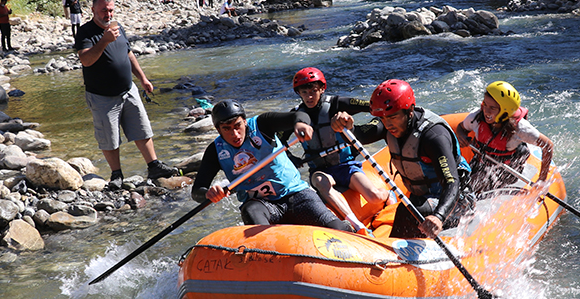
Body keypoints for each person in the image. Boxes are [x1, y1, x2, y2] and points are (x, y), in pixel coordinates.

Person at [333, 79, 473, 239]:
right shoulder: (388, 123)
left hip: (455, 202)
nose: (387, 124)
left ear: (410, 110)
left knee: (408, 211)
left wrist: (439, 216)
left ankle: (393, 253)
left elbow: (451, 182)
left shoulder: (434, 136)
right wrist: (346, 126)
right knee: (413, 208)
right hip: (422, 197)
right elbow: (361, 134)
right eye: (383, 118)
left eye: (392, 117)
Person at [191, 99, 354, 232]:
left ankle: (348, 231)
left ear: (245, 122)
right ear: (217, 129)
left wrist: (300, 124)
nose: (235, 134)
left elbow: (298, 115)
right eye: (227, 129)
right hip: (263, 205)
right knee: (249, 210)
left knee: (336, 228)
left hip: (295, 194)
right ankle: (268, 252)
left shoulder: (262, 125)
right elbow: (197, 190)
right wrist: (209, 194)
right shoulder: (215, 151)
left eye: (237, 126)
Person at [75, 0, 179, 185]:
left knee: (142, 128)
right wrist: (104, 40)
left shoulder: (118, 26)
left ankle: (154, 166)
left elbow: (128, 53)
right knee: (110, 137)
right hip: (102, 95)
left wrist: (143, 78)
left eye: (111, 10)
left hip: (128, 89)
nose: (108, 14)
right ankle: (116, 175)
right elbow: (86, 60)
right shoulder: (85, 31)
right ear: (93, 10)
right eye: (103, 10)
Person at [288, 67, 388, 232]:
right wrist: (291, 157)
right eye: (304, 92)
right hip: (320, 170)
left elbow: (371, 107)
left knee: (374, 197)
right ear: (299, 93)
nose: (309, 96)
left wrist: (374, 119)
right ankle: (355, 224)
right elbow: (276, 141)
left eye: (313, 90)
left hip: (346, 166)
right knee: (320, 181)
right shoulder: (297, 116)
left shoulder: (336, 104)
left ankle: (387, 196)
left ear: (322, 88)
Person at [456, 81, 555, 194]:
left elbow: (547, 145)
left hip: (508, 171)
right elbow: (461, 127)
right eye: (485, 105)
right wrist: (462, 135)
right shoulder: (476, 117)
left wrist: (541, 180)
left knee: (472, 185)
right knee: (459, 181)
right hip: (481, 163)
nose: (486, 111)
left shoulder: (520, 128)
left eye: (492, 108)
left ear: (505, 110)